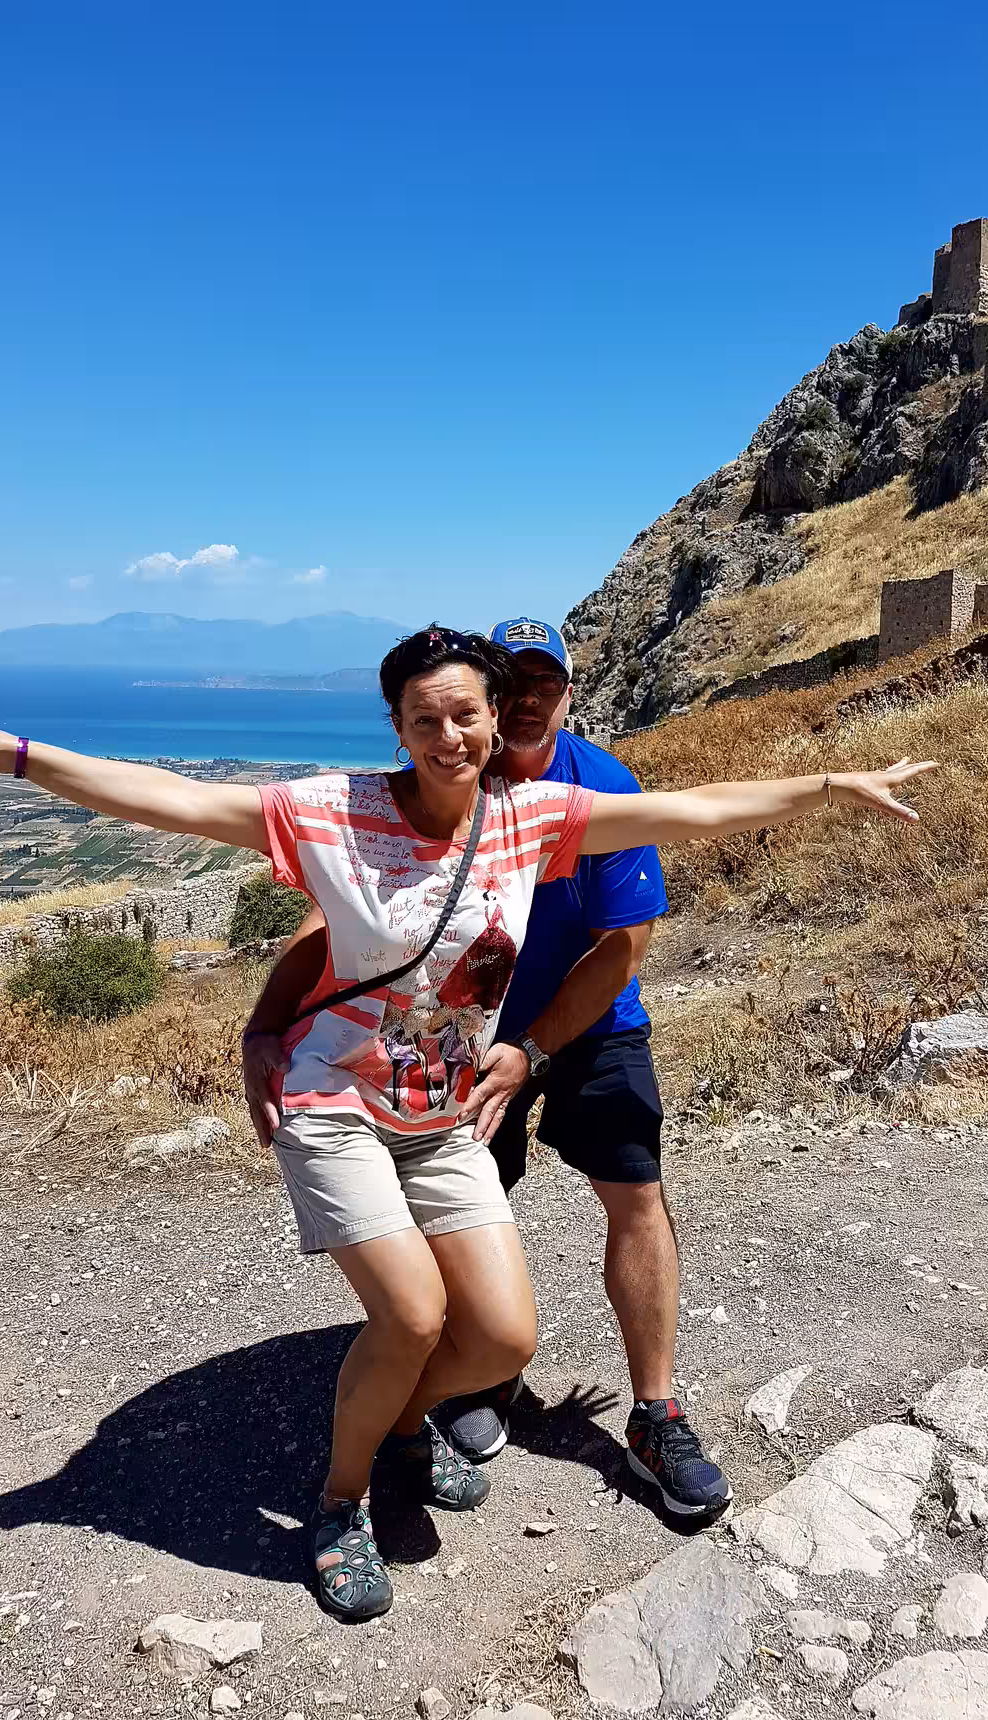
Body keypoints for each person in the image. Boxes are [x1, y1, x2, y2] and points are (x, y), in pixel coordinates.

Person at [0, 633, 933, 1623]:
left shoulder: (534, 817)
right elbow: (177, 801)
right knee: (411, 1316)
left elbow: (697, 810)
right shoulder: (333, 810)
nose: (450, 736)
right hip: (335, 1102)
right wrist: (21, 758)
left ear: (496, 722)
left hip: (439, 1114)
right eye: (426, 718)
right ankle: (340, 1502)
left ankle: (404, 1428)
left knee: (499, 1335)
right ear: (399, 725)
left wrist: (832, 786)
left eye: (467, 716)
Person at [243, 616, 728, 1523]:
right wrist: (267, 1024)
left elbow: (624, 947)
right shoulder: (451, 775)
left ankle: (656, 1411)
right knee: (438, 1265)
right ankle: (439, 1383)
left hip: (578, 1025)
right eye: (518, 683)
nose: (533, 698)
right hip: (450, 1046)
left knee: (634, 1193)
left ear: (563, 693)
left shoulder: (595, 789)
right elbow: (347, 919)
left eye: (548, 681)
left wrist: (532, 1049)